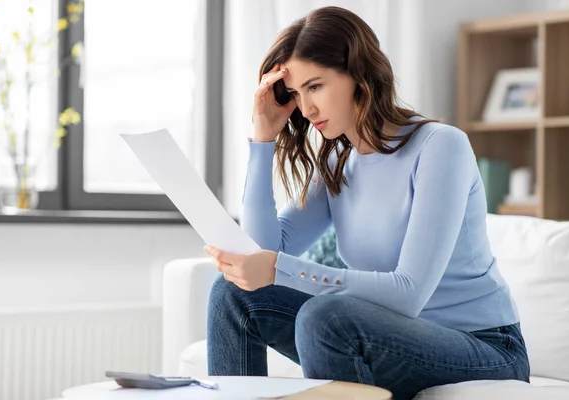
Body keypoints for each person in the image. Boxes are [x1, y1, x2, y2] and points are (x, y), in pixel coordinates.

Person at [204, 6, 529, 400]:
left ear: (358, 74)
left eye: (315, 86)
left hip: (483, 347)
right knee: (232, 292)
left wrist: (278, 268)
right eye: (295, 93)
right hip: (387, 334)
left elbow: (408, 293)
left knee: (325, 318)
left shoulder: (441, 146)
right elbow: (264, 253)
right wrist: (262, 139)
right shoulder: (340, 163)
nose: (306, 109)